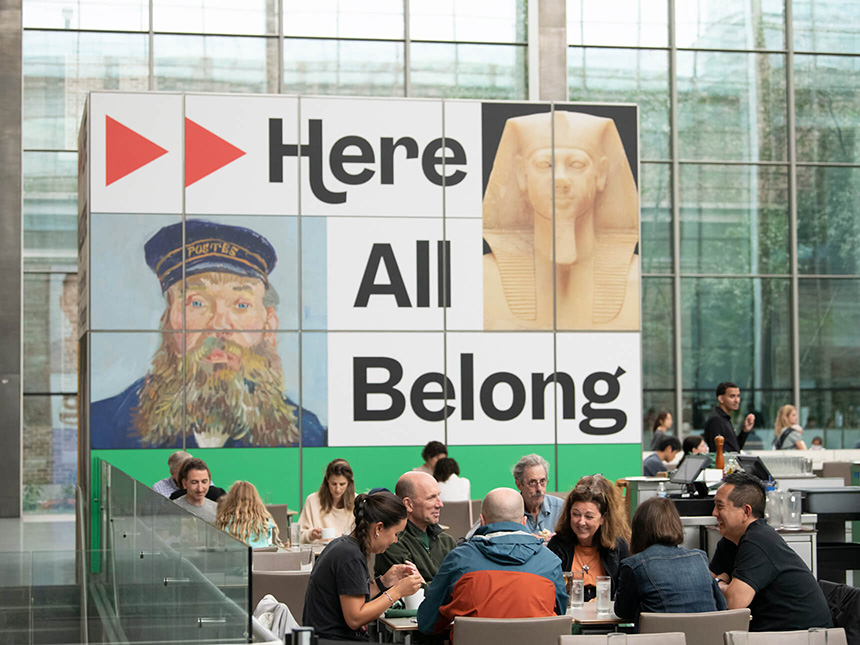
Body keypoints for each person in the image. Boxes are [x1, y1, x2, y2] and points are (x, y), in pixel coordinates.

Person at [90, 219, 326, 449]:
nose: (220, 325)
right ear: (168, 322)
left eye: (241, 305)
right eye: (198, 303)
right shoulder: (103, 428)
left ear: (269, 325)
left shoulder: (308, 436)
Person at [482, 109, 639, 331]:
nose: (561, 179)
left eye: (576, 164)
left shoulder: (638, 278)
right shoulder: (480, 279)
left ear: (601, 174)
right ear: (520, 173)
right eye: (544, 165)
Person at [417, 488, 568, 635]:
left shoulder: (459, 559)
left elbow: (427, 622)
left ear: (482, 521)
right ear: (523, 522)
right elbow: (559, 615)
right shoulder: (550, 562)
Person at [709, 472, 832, 632]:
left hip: (803, 636)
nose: (714, 513)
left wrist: (719, 583)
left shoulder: (758, 540)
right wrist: (722, 584)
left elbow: (734, 601)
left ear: (746, 512)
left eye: (720, 506)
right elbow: (705, 586)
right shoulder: (730, 541)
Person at [303, 492, 423, 641]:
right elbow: (355, 618)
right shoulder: (350, 556)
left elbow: (350, 598)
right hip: (333, 639)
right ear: (379, 528)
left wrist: (383, 583)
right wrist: (397, 591)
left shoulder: (344, 546)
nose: (395, 540)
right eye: (396, 533)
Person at [614, 497, 726, 626]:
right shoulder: (700, 558)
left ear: (639, 530)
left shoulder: (634, 565)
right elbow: (721, 605)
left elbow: (623, 612)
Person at [547, 475, 630, 600]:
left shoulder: (618, 547)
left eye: (589, 516)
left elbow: (624, 593)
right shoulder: (557, 545)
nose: (581, 522)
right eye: (576, 515)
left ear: (603, 518)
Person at [374, 471, 456, 583]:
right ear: (408, 504)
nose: (439, 504)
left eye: (438, 496)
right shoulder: (392, 542)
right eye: (431, 498)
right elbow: (410, 592)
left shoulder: (446, 541)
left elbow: (460, 584)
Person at [299, 459, 356, 544]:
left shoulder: (356, 501)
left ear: (349, 483)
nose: (337, 489)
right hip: (319, 555)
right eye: (333, 484)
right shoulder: (312, 500)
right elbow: (298, 537)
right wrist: (311, 535)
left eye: (342, 484)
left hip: (347, 554)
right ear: (327, 481)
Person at [215, 480, 280, 548]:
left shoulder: (224, 522)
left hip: (234, 557)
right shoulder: (265, 522)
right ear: (256, 499)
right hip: (261, 557)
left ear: (230, 500)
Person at [514, 453, 564, 539]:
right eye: (532, 482)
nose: (539, 489)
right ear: (519, 484)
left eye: (542, 481)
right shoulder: (510, 512)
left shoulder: (561, 508)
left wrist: (559, 540)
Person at [703, 382, 755, 453]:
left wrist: (745, 431)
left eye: (738, 396)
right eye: (732, 396)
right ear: (721, 399)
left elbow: (735, 449)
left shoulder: (724, 418)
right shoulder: (716, 420)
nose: (737, 400)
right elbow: (717, 453)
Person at [172, 458, 217, 524]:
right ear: (184, 483)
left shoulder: (218, 511)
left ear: (209, 482)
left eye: (204, 482)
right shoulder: (172, 509)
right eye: (194, 482)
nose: (200, 489)